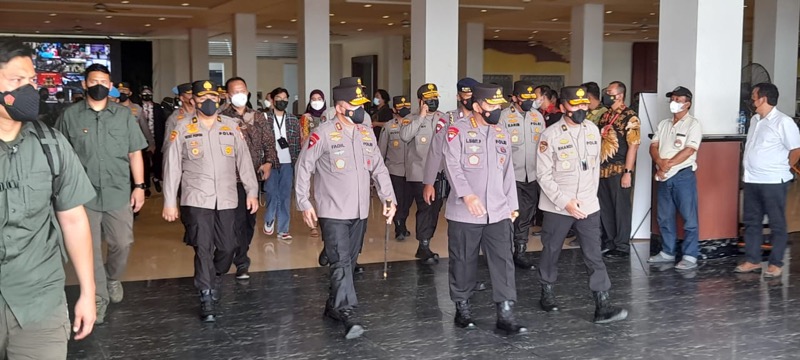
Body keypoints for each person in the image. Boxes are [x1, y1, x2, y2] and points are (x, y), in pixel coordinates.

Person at [0, 39, 96, 359]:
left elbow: (73, 219)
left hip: (40, 302)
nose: (29, 90)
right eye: (17, 80)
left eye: (31, 81)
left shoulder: (51, 145)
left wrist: (88, 291)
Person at [295, 83, 396, 339]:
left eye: (363, 105)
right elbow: (304, 166)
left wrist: (388, 197)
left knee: (349, 263)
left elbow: (378, 167)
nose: (361, 110)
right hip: (333, 210)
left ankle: (333, 305)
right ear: (340, 108)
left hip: (360, 210)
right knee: (340, 262)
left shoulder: (365, 132)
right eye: (356, 106)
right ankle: (348, 313)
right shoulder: (323, 133)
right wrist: (304, 202)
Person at [56, 63, 148, 324]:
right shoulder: (70, 116)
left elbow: (134, 153)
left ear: (110, 86)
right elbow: (62, 156)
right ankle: (98, 299)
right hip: (83, 196)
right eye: (93, 80)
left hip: (117, 190)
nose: (98, 85)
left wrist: (139, 187)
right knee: (90, 249)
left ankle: (112, 278)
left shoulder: (122, 115)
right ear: (84, 84)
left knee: (122, 242)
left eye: (103, 82)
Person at [162, 80, 259, 322]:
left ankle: (213, 276)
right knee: (203, 247)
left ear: (219, 100)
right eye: (203, 97)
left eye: (213, 97)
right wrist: (169, 201)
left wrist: (252, 191)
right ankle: (206, 294)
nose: (209, 101)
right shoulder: (182, 128)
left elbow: (244, 162)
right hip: (196, 198)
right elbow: (172, 167)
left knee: (228, 247)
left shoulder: (231, 127)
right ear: (193, 100)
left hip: (226, 197)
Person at [536, 86, 628, 324]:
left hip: (587, 204)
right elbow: (543, 175)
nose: (581, 109)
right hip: (558, 205)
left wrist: (588, 199)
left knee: (594, 254)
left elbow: (594, 168)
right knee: (551, 250)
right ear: (564, 106)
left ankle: (602, 304)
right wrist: (565, 202)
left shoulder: (592, 130)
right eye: (575, 105)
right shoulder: (550, 135)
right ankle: (546, 290)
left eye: (584, 104)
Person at [443, 83, 526, 334]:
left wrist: (512, 205)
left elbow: (507, 172)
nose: (496, 110)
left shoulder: (501, 132)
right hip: (465, 212)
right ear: (477, 106)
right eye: (491, 105)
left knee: (503, 261)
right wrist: (467, 195)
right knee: (463, 260)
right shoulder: (457, 131)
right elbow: (451, 165)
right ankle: (463, 307)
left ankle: (506, 312)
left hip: (498, 210)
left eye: (499, 105)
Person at [735, 83, 800, 277]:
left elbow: (796, 149)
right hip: (752, 179)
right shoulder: (755, 120)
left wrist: (783, 166)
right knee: (752, 221)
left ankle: (776, 263)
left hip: (774, 181)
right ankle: (753, 260)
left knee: (776, 222)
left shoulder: (783, 122)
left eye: (753, 96)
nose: (751, 100)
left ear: (763, 99)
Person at [221, 77, 278, 280]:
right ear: (228, 95)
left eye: (243, 91)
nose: (239, 95)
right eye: (235, 92)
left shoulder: (258, 117)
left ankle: (242, 253)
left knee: (248, 220)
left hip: (253, 178)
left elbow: (269, 144)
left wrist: (269, 163)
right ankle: (239, 260)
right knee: (234, 220)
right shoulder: (221, 118)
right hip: (230, 178)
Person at [647, 87, 702, 270]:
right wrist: (659, 162)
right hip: (663, 177)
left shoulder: (693, 124)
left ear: (687, 104)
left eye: (678, 99)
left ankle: (690, 255)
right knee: (664, 216)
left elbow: (689, 150)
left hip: (682, 176)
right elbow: (653, 146)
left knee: (689, 217)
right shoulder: (663, 124)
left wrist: (666, 165)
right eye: (672, 98)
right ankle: (667, 252)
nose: (674, 102)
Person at [499, 81, 545, 271]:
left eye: (530, 98)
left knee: (526, 215)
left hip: (532, 175)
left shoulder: (538, 116)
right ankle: (504, 251)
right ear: (515, 97)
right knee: (509, 216)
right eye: (524, 98)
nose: (528, 102)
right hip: (511, 176)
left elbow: (544, 146)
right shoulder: (503, 117)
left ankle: (520, 251)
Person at [398, 83, 447, 264]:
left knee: (435, 208)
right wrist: (421, 116)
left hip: (439, 173)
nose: (433, 101)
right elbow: (404, 136)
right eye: (429, 99)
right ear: (421, 101)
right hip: (419, 173)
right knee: (425, 208)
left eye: (435, 98)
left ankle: (426, 241)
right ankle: (423, 245)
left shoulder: (445, 118)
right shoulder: (411, 119)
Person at [597, 81, 640, 258]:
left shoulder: (630, 117)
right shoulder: (605, 116)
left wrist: (627, 173)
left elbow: (633, 146)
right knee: (605, 208)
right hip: (602, 169)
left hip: (619, 169)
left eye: (610, 92)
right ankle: (609, 242)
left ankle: (621, 245)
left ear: (620, 95)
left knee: (620, 208)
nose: (606, 95)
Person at [262, 87, 301, 241]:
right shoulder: (264, 118)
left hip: (287, 162)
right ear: (272, 100)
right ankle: (269, 218)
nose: (282, 101)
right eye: (279, 98)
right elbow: (260, 142)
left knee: (285, 196)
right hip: (270, 162)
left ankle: (283, 229)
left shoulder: (292, 119)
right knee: (272, 193)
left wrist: (296, 163)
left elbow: (297, 143)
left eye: (285, 98)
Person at [379, 95, 413, 240]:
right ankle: (399, 226)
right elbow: (381, 149)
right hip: (394, 170)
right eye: (401, 106)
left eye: (407, 106)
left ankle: (402, 222)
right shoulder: (388, 126)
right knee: (398, 199)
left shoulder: (414, 124)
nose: (404, 109)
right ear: (394, 109)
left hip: (412, 171)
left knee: (408, 201)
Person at [118, 82, 156, 197]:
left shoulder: (136, 108)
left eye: (125, 90)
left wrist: (151, 143)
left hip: (135, 146)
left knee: (137, 171)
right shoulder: (113, 108)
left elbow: (144, 127)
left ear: (130, 93)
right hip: (119, 147)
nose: (122, 93)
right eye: (120, 91)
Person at [140, 85, 167, 193]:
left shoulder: (157, 107)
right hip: (142, 140)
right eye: (144, 94)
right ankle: (145, 184)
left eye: (149, 94)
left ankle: (156, 179)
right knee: (143, 162)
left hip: (157, 138)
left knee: (157, 160)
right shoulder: (137, 108)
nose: (147, 95)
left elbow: (162, 123)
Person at [163, 83, 194, 152]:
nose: (193, 96)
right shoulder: (174, 118)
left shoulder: (202, 114)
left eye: (194, 94)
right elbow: (168, 144)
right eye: (189, 94)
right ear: (182, 98)